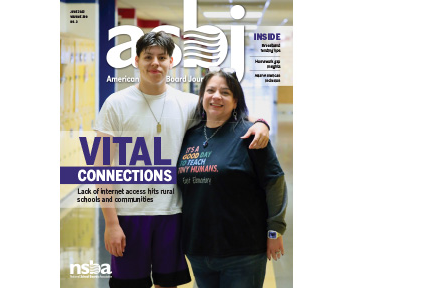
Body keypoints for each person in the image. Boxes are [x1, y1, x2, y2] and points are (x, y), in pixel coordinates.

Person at [94, 31, 270, 288]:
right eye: (148, 57)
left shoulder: (188, 104)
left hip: (174, 213)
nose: (155, 63)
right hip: (129, 213)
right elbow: (101, 167)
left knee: (168, 284)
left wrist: (262, 123)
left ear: (171, 62)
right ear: (136, 61)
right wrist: (111, 223)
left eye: (162, 57)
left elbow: (230, 115)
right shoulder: (115, 104)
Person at [177, 68, 287, 288]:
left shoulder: (251, 135)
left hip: (242, 251)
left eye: (225, 92)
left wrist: (274, 230)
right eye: (211, 90)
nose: (216, 96)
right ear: (202, 97)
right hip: (199, 249)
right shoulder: (189, 135)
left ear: (235, 101)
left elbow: (274, 181)